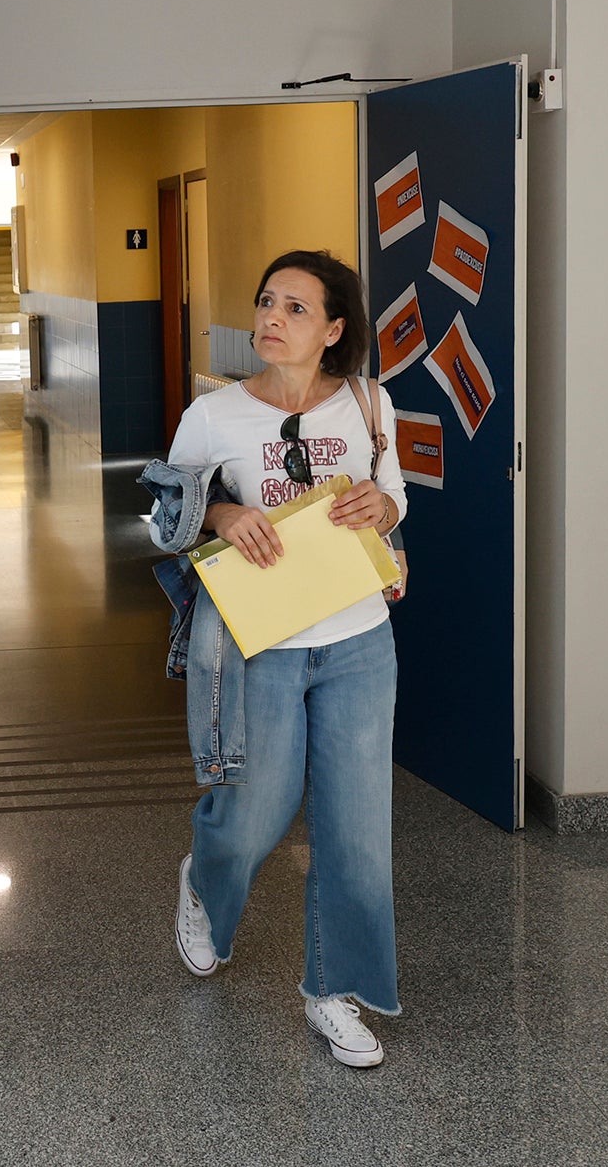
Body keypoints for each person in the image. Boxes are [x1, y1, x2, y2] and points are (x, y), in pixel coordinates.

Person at [166, 249, 407, 1069]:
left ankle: (334, 993)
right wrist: (224, 512)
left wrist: (383, 503)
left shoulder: (371, 404)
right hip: (259, 641)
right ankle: (204, 880)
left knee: (358, 831)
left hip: (358, 640)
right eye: (268, 301)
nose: (272, 317)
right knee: (257, 810)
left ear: (334, 330)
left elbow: (392, 495)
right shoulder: (215, 415)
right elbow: (169, 514)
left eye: (297, 308)